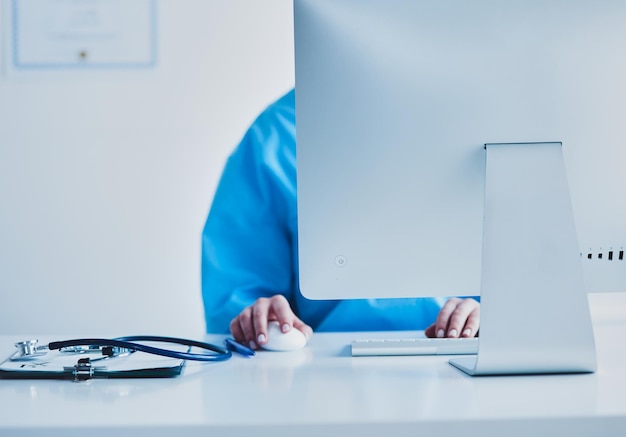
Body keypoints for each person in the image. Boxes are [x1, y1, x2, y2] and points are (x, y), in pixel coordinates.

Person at [202, 89, 479, 350]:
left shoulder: (485, 118)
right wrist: (259, 318)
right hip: (318, 372)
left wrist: (500, 318)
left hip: (467, 355)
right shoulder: (277, 135)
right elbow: (239, 291)